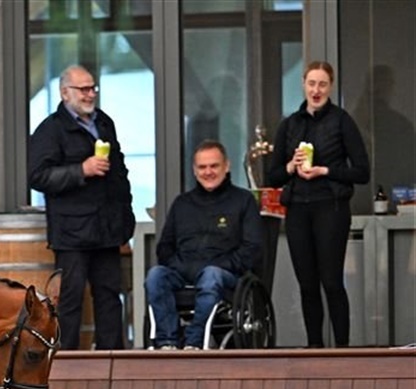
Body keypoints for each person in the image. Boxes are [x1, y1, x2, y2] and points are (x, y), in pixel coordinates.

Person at [29, 64, 135, 350]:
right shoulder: (51, 130)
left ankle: (113, 359)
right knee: (70, 301)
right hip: (72, 234)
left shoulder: (104, 123)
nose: (90, 94)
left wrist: (125, 220)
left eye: (93, 88)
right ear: (65, 93)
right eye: (83, 89)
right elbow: (37, 176)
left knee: (110, 298)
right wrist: (81, 170)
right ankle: (68, 364)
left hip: (107, 229)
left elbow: (119, 173)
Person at [267, 60, 370, 348]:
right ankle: (314, 348)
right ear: (303, 84)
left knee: (332, 281)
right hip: (298, 208)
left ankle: (342, 349)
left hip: (330, 206)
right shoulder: (290, 124)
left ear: (331, 87)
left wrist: (325, 170)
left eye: (322, 84)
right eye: (312, 83)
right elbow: (273, 176)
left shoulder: (341, 121)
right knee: (307, 284)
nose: (316, 90)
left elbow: (362, 172)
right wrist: (291, 166)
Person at [146, 140, 263, 350]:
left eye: (214, 166)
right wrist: (182, 266)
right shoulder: (182, 203)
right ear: (194, 170)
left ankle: (195, 341)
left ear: (226, 166)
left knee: (211, 275)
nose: (208, 172)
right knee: (155, 276)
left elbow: (252, 249)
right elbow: (164, 247)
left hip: (225, 275)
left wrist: (220, 265)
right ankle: (167, 342)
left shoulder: (243, 200)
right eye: (202, 167)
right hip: (183, 273)